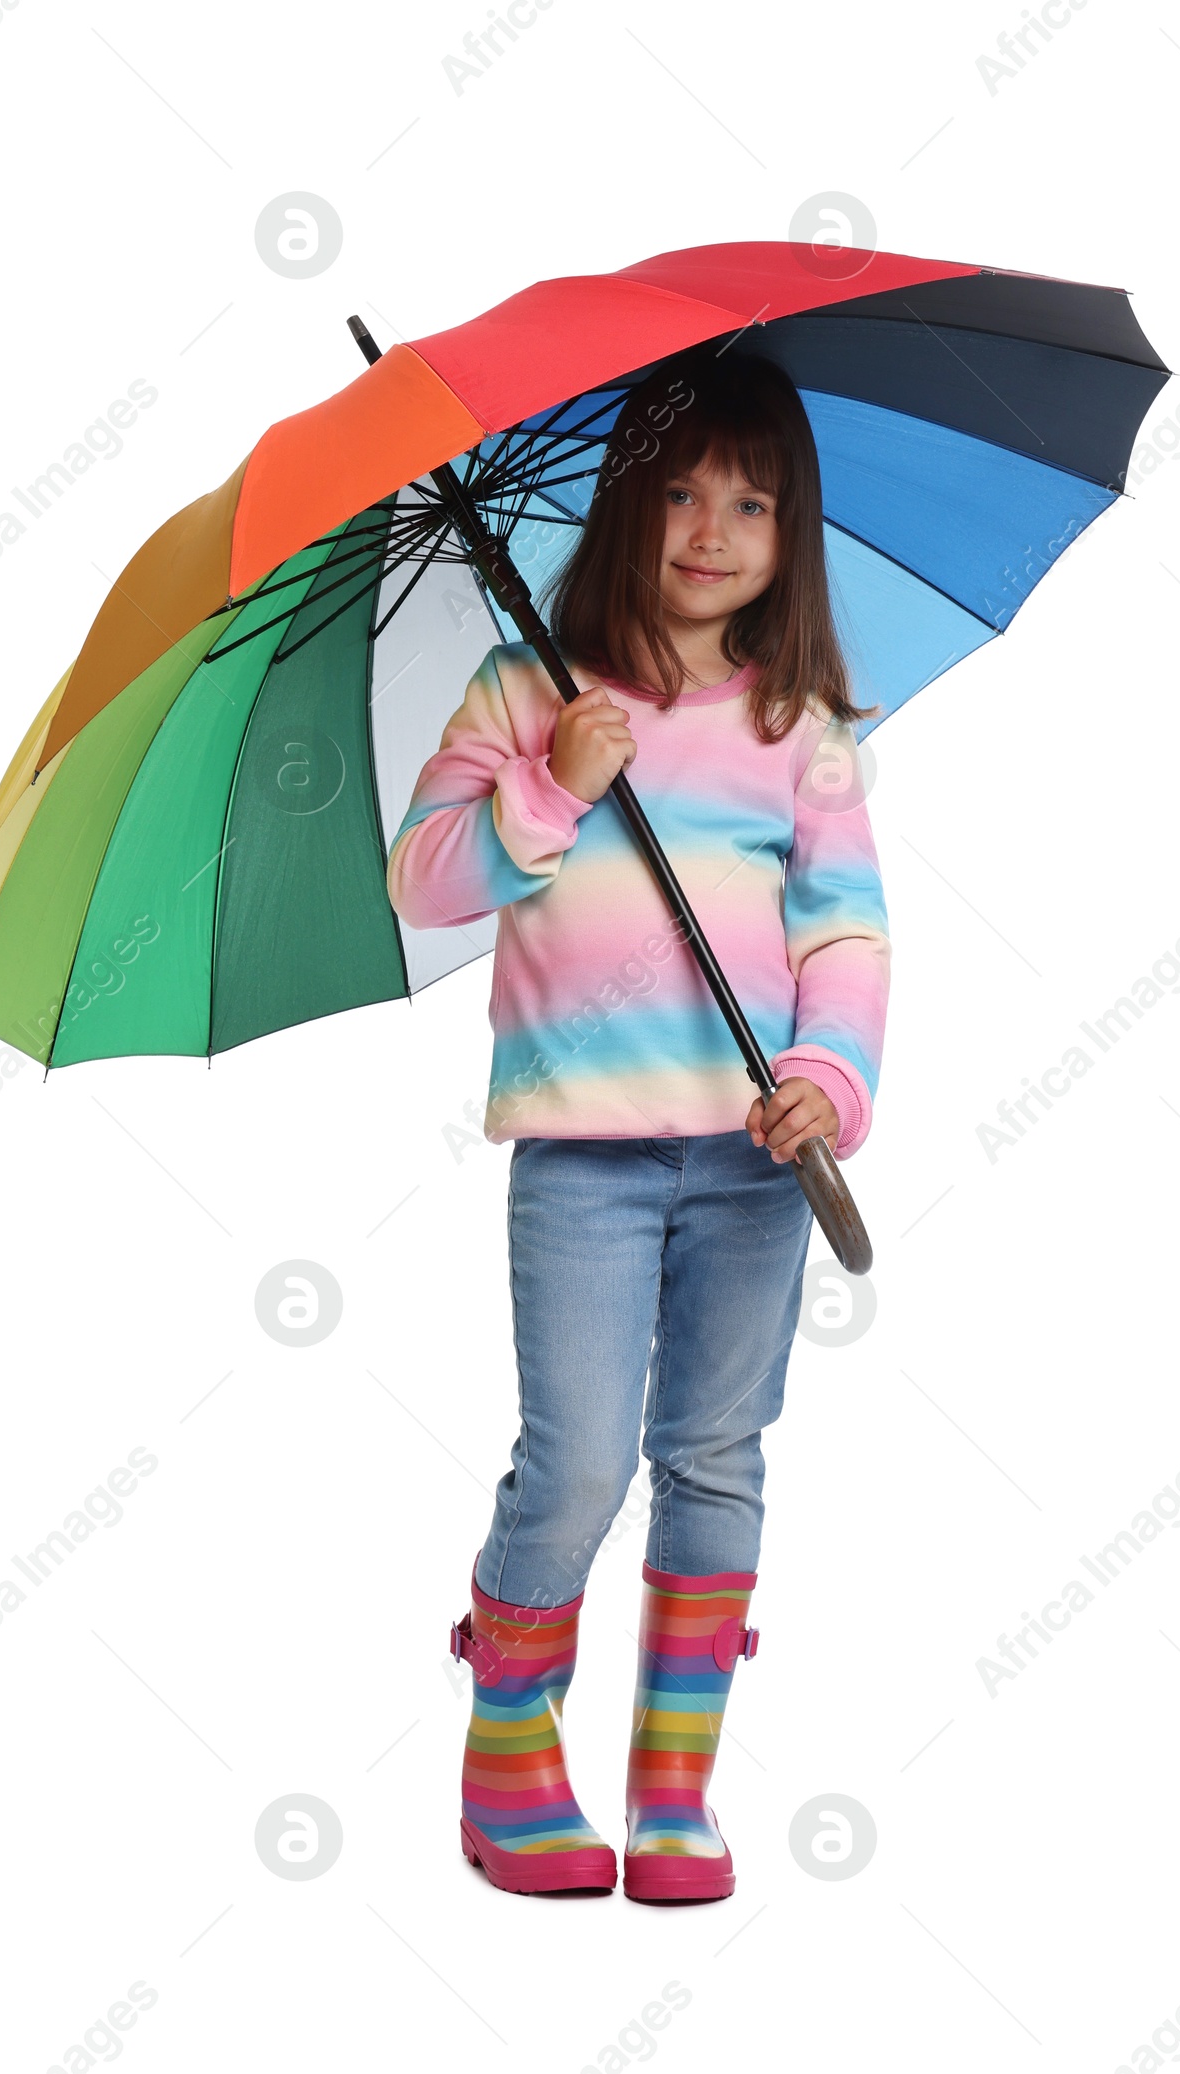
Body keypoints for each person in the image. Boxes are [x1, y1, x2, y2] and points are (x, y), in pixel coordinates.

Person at [385, 347, 891, 1903]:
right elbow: (427, 881)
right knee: (586, 1452)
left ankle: (675, 1786)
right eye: (677, 491)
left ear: (789, 528)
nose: (709, 526)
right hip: (583, 1162)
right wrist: (549, 783)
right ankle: (510, 1734)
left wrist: (834, 1075)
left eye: (749, 498)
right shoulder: (529, 691)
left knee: (719, 1449)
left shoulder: (799, 725)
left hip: (753, 1157)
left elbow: (845, 933)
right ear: (626, 507)